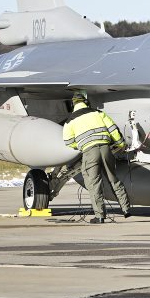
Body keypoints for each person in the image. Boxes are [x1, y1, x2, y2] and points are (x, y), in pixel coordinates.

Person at [63, 93, 132, 223]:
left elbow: (68, 141)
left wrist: (81, 145)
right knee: (113, 179)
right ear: (86, 102)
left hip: (90, 151)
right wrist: (120, 144)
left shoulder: (70, 121)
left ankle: (100, 216)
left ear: (73, 105)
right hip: (106, 149)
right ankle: (126, 209)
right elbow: (113, 129)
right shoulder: (98, 113)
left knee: (94, 183)